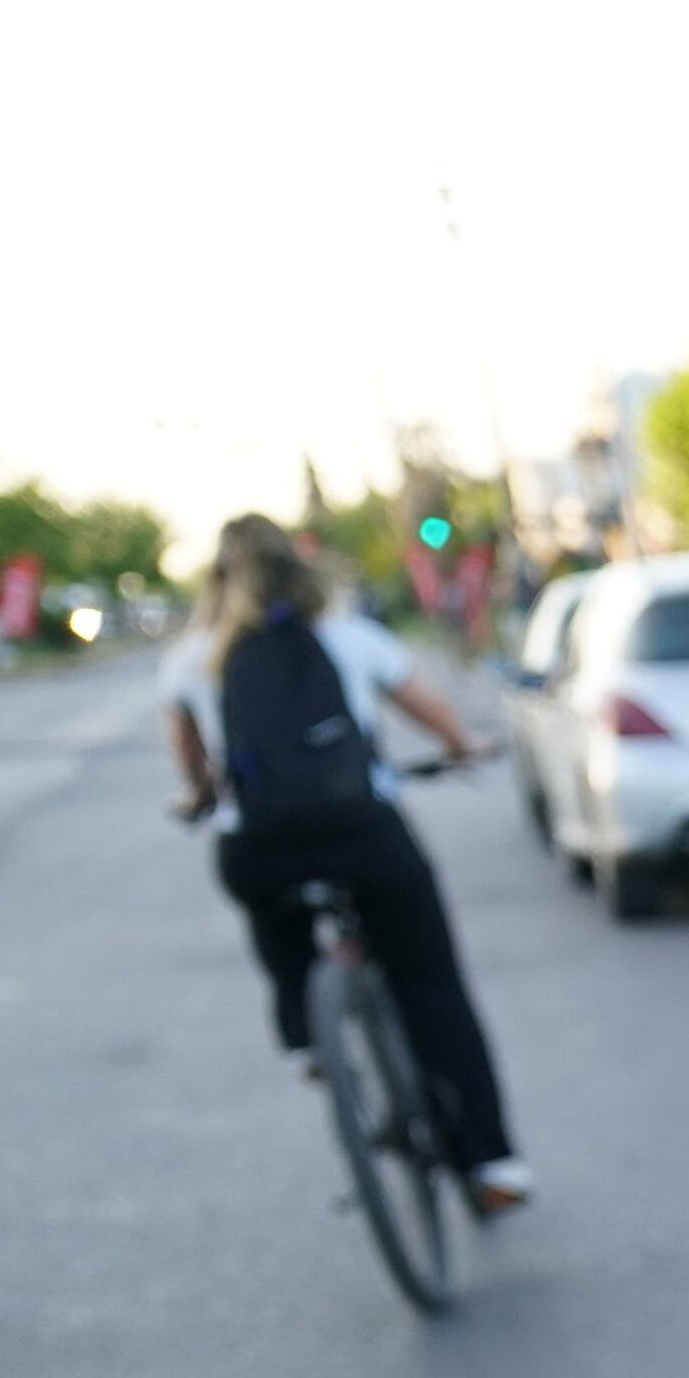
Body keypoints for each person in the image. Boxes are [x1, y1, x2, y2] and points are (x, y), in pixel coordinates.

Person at [163, 515, 531, 1213]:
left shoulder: (193, 657)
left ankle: (307, 1038)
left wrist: (197, 796)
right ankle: (492, 1166)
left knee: (271, 918)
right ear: (303, 574)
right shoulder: (349, 636)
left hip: (260, 849)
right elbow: (427, 707)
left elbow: (191, 762)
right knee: (431, 984)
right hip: (364, 835)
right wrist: (463, 745)